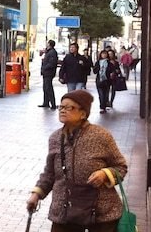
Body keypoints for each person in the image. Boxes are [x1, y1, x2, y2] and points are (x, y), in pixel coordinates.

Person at [26, 90, 127, 231]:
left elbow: (120, 166)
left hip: (100, 210)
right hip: (64, 209)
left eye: (69, 107)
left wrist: (105, 174)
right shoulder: (55, 138)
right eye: (61, 107)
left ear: (83, 114)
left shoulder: (101, 136)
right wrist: (36, 194)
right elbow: (50, 173)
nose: (62, 110)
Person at [39, 40, 58, 110]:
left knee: (48, 88)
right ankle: (46, 102)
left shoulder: (52, 52)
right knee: (45, 87)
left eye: (47, 43)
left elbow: (52, 63)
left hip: (49, 72)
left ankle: (53, 104)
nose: (46, 45)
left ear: (49, 44)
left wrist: (44, 67)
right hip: (46, 72)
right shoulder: (49, 52)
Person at [92, 49, 112, 114]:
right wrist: (99, 68)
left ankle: (105, 105)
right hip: (99, 81)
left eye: (105, 54)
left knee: (106, 95)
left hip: (107, 81)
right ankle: (102, 107)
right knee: (101, 95)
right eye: (102, 54)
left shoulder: (109, 63)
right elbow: (94, 71)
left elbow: (112, 71)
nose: (104, 55)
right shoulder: (98, 62)